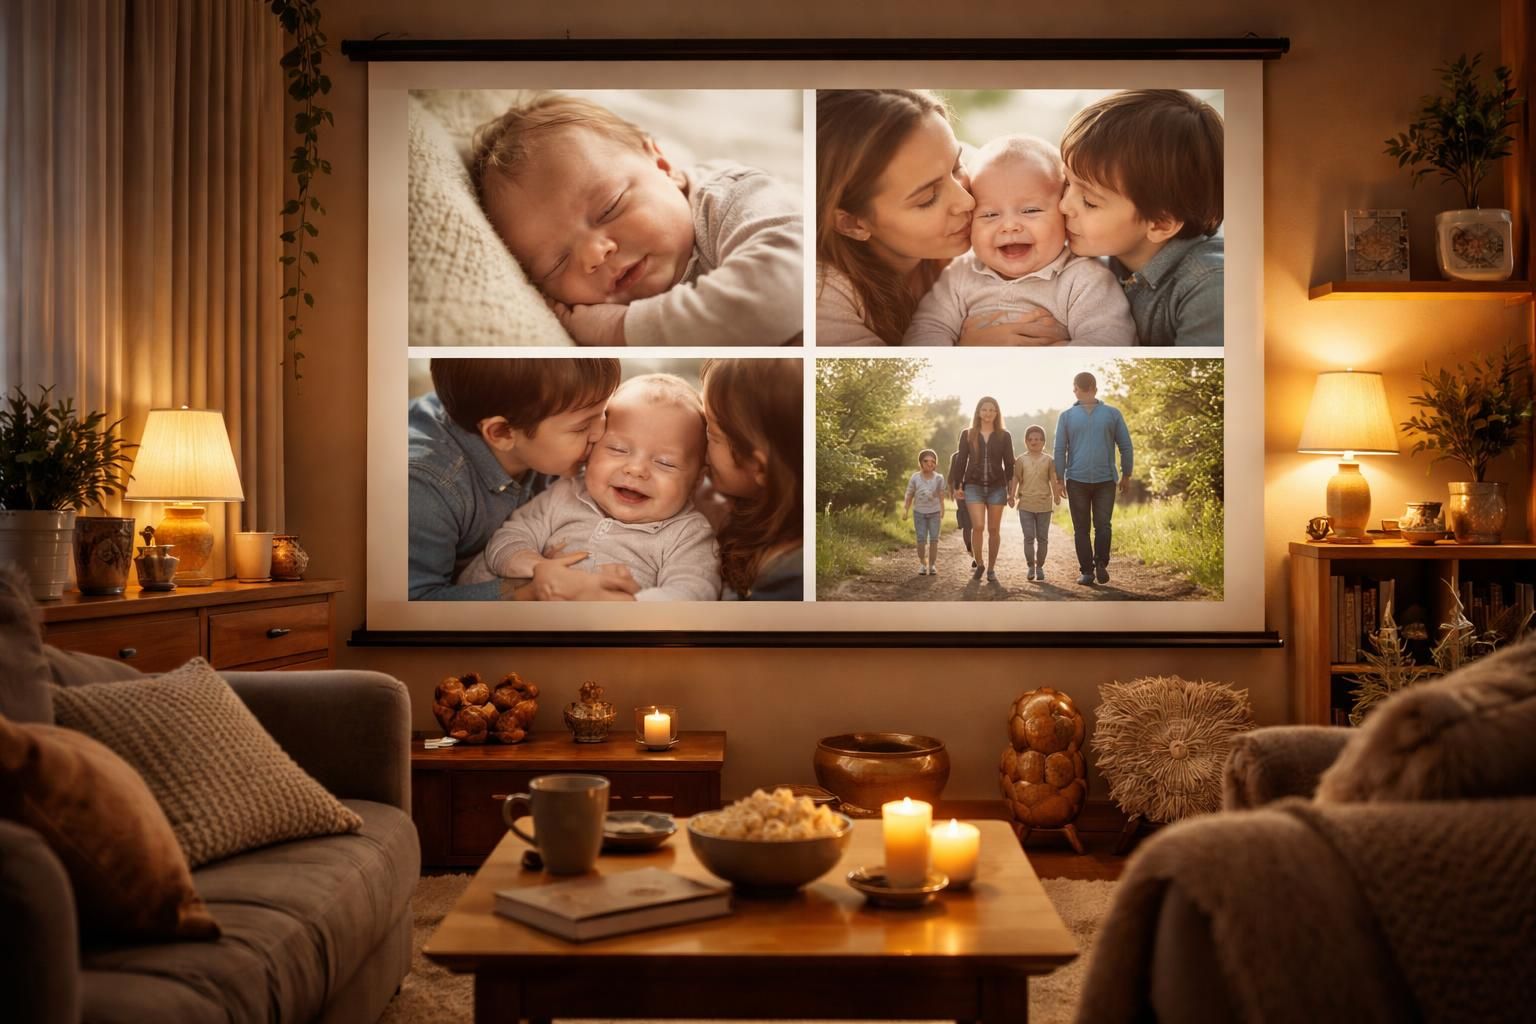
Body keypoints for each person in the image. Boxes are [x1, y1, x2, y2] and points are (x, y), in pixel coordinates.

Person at [471, 93, 802, 347]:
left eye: (609, 208)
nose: (593, 254)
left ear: (662, 165)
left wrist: (619, 329)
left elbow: (784, 292)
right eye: (557, 263)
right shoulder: (575, 320)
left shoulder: (733, 199)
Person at [815, 89, 1067, 347]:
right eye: (928, 199)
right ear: (853, 224)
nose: (967, 201)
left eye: (957, 167)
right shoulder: (824, 300)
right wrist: (965, 351)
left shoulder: (980, 172)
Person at [464, 374, 721, 602]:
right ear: (592, 449)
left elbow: (695, 591)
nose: (636, 469)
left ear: (698, 479)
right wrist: (538, 568)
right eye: (618, 449)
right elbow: (507, 540)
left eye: (665, 463)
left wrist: (627, 605)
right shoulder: (564, 493)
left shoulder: (687, 533)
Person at [408, 358, 639, 602]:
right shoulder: (427, 488)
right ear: (502, 433)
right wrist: (530, 590)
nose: (600, 433)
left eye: (603, 412)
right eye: (582, 427)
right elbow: (414, 604)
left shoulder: (542, 422)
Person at [902, 135, 1135, 347]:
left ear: (1063, 209)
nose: (1010, 225)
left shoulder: (1084, 279)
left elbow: (1108, 339)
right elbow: (927, 330)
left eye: (1031, 210)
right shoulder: (960, 274)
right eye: (990, 215)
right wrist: (963, 350)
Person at [1059, 89, 1224, 346]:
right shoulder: (1093, 260)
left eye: (1089, 202)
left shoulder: (1210, 286)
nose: (1063, 205)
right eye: (1066, 182)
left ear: (1160, 223)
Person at [698, 358, 803, 600]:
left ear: (759, 467)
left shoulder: (791, 583)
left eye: (711, 434)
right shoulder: (741, 507)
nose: (700, 448)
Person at [1053, 372, 1133, 586]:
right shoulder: (1068, 416)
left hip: (1099, 480)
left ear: (1076, 390)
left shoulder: (1110, 414)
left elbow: (1059, 450)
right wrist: (1126, 474)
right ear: (1095, 389)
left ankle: (1091, 570)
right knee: (1101, 525)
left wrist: (1059, 479)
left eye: (1077, 388)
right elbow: (1060, 449)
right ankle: (1097, 565)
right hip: (1084, 479)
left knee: (1084, 527)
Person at [949, 397, 1014, 584]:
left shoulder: (1004, 435)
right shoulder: (968, 434)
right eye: (984, 409)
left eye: (992, 410)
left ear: (997, 413)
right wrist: (957, 486)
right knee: (977, 527)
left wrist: (1011, 489)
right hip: (974, 486)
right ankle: (979, 563)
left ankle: (991, 569)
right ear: (978, 412)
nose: (988, 413)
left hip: (997, 487)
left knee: (994, 529)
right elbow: (960, 461)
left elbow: (1009, 464)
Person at [1007, 424, 1062, 582]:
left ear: (1043, 442)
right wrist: (1011, 496)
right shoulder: (1021, 460)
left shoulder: (1049, 460)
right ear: (1026, 441)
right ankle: (1031, 566)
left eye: (1038, 439)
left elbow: (1053, 478)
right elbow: (1016, 478)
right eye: (1030, 439)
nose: (1034, 442)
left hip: (1044, 504)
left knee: (1043, 538)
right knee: (1029, 537)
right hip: (1025, 504)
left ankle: (1040, 567)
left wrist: (1056, 494)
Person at [903, 448, 946, 575]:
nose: (929, 463)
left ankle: (932, 565)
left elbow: (941, 494)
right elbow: (909, 494)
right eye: (926, 461)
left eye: (933, 461)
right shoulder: (915, 478)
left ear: (935, 464)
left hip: (934, 512)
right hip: (919, 513)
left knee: (934, 539)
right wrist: (905, 509)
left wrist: (942, 509)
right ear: (920, 463)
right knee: (921, 539)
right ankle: (923, 563)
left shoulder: (939, 478)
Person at [947, 446, 976, 569]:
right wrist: (952, 492)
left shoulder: (979, 454)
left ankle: (974, 553)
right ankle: (973, 553)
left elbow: (951, 477)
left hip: (975, 492)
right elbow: (952, 476)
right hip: (962, 493)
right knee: (969, 526)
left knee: (974, 526)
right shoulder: (956, 456)